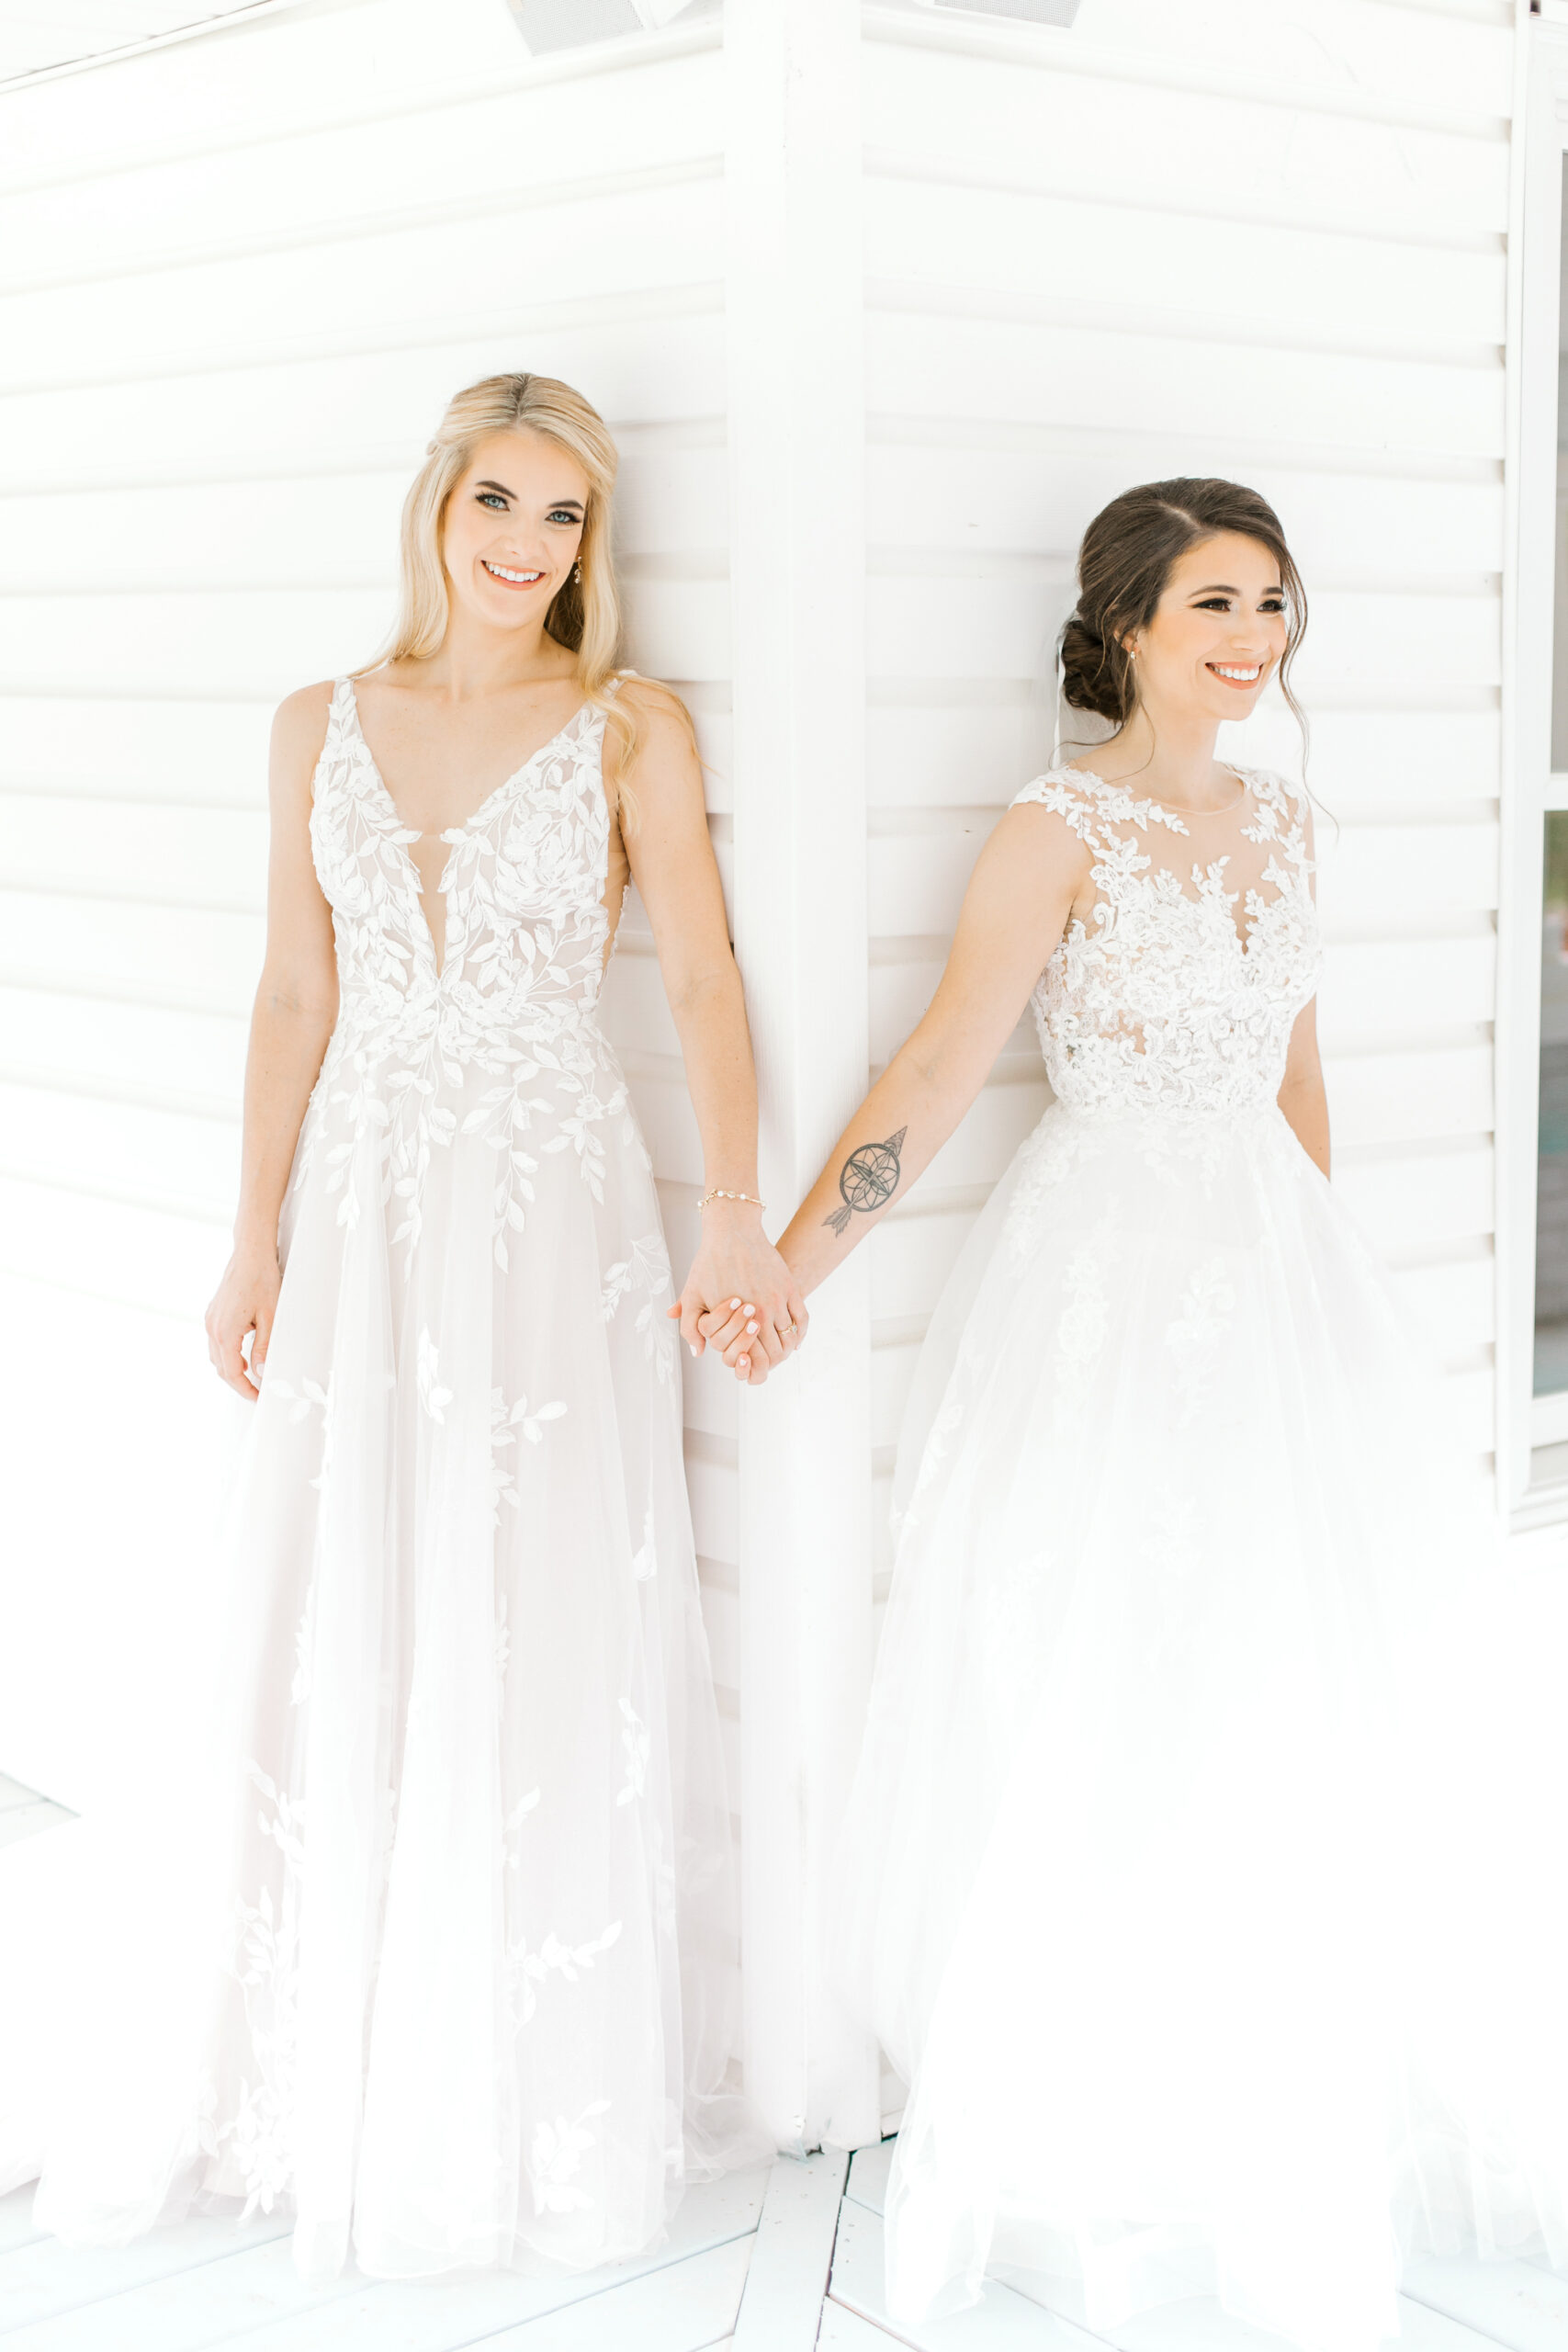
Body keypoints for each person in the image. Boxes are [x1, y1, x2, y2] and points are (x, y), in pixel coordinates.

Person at [703, 478, 1568, 2352]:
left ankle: (1272, 2037)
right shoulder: (1053, 827)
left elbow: (1297, 1070)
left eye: (1269, 601)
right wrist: (783, 1262)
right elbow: (936, 1062)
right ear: (1121, 623)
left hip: (1266, 1266)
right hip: (1101, 1269)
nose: (1249, 639)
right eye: (1209, 604)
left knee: (1281, 1651)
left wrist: (1319, 1290)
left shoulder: (1284, 819)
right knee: (1099, 1644)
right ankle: (1108, 2073)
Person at [20, 370, 795, 2280]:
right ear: (435, 511)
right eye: (500, 508)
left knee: (531, 1584)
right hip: (363, 1196)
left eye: (564, 522)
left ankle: (525, 2051)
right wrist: (248, 1238)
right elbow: (294, 992)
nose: (528, 551)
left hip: (549, 1201)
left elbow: (697, 969)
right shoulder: (316, 723)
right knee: (340, 1569)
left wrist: (733, 1212)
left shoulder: (626, 727)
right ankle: (326, 2036)